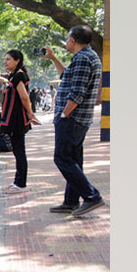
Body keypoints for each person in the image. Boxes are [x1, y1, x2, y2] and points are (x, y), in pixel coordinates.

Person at [43, 25, 104, 216]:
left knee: (61, 157)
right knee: (74, 159)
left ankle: (92, 196)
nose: (66, 41)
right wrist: (53, 58)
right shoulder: (84, 57)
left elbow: (77, 93)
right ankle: (71, 201)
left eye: (67, 38)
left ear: (73, 41)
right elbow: (66, 77)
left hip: (72, 118)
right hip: (78, 118)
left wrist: (64, 114)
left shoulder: (84, 59)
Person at [0, 49, 41, 193]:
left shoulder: (19, 76)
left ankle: (21, 184)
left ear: (17, 61)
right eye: (5, 59)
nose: (5, 62)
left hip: (17, 119)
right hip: (13, 119)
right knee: (17, 151)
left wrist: (30, 114)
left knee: (19, 151)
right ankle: (18, 181)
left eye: (8, 59)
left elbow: (24, 97)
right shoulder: (13, 76)